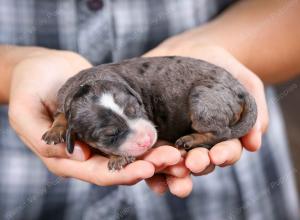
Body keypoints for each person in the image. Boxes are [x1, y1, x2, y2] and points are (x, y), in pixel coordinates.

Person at [0, 0, 299, 219]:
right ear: (72, 135)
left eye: (135, 110)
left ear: (134, 95)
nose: (144, 137)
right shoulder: (66, 104)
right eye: (112, 133)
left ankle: (208, 132)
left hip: (224, 196)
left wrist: (219, 47)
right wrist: (13, 70)